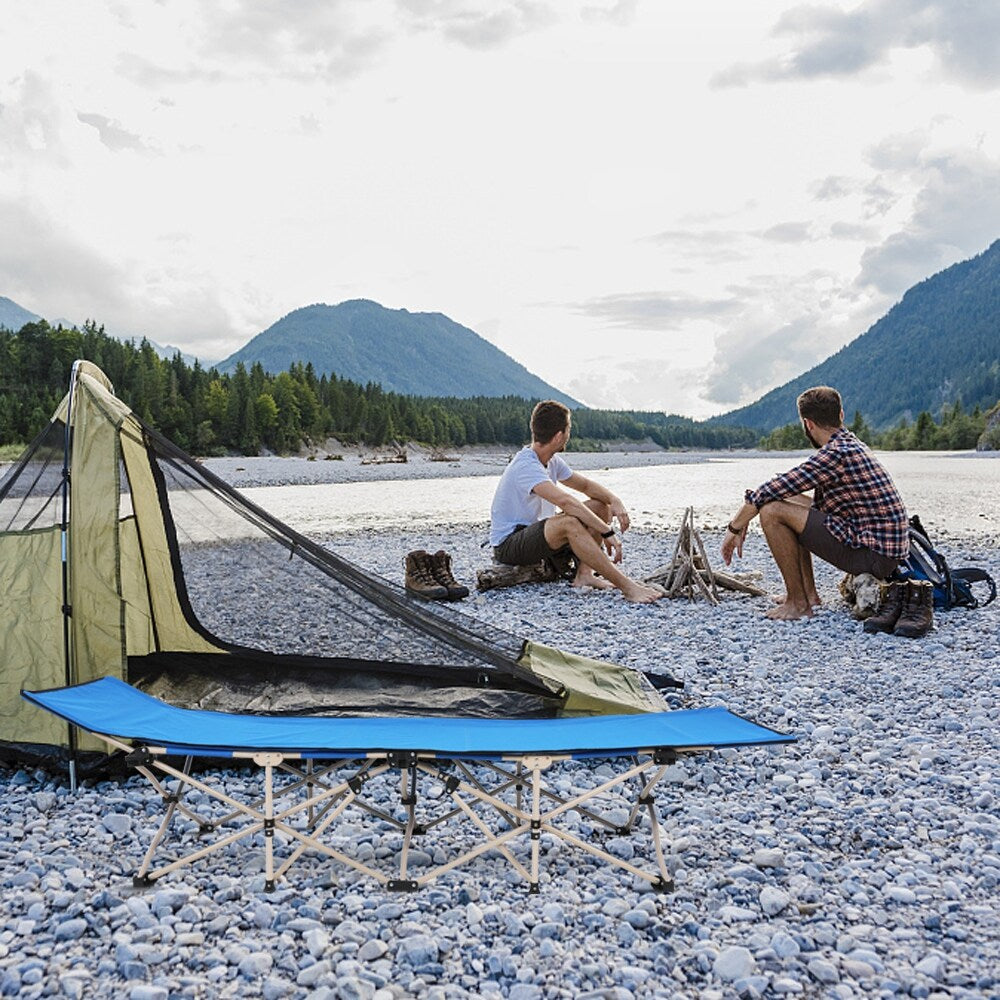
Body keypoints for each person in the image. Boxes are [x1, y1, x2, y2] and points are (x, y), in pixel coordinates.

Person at [721, 386, 907, 621]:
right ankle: (809, 595)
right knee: (779, 499)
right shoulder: (848, 443)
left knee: (772, 511)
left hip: (873, 557)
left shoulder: (835, 454)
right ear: (841, 415)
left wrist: (734, 527)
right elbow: (780, 488)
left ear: (808, 424)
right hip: (878, 550)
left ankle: (798, 603)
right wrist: (749, 512)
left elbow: (766, 493)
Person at [490, 400, 662, 604]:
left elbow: (586, 486)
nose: (569, 434)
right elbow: (566, 502)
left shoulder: (550, 460)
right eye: (568, 429)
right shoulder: (526, 465)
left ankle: (584, 574)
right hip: (509, 543)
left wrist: (614, 500)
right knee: (568, 522)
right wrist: (607, 532)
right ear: (559, 436)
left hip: (537, 535)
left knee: (600, 505)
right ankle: (628, 588)